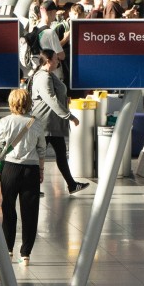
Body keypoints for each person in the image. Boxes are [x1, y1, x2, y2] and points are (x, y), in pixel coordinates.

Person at [0, 87, 47, 264]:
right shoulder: (36, 123)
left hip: (10, 169)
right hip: (31, 170)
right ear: (28, 103)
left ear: (12, 102)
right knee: (30, 212)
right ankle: (25, 253)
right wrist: (41, 171)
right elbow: (41, 150)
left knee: (8, 208)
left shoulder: (5, 121)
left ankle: (8, 249)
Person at [30, 49, 88, 195]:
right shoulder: (43, 78)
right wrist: (70, 116)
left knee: (60, 154)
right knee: (38, 155)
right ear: (48, 61)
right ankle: (33, 188)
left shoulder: (48, 75)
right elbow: (51, 100)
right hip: (46, 124)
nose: (58, 61)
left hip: (52, 124)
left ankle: (72, 185)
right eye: (56, 59)